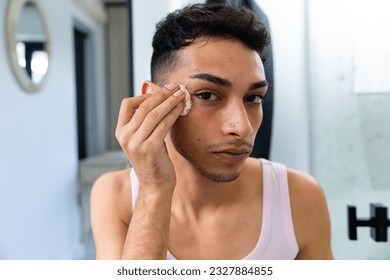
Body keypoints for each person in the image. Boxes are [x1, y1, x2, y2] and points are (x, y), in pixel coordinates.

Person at [90, 3, 333, 260]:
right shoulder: (115, 195)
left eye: (253, 98)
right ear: (154, 100)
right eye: (207, 95)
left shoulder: (299, 197)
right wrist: (154, 190)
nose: (241, 127)